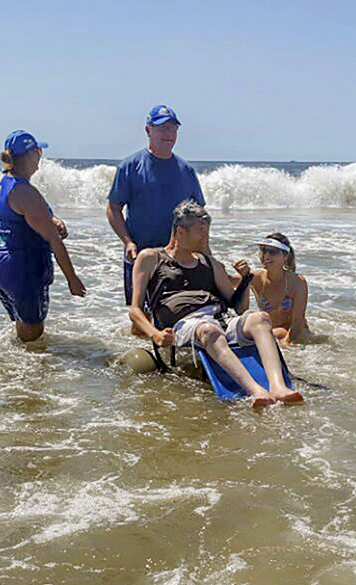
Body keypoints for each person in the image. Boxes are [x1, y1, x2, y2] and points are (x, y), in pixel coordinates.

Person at [129, 201, 303, 407]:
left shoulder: (209, 262)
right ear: (180, 231)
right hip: (185, 324)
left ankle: (278, 386)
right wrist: (155, 334)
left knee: (260, 319)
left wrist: (245, 279)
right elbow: (135, 309)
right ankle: (255, 390)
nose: (205, 237)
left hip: (219, 318)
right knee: (209, 330)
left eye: (206, 231)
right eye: (200, 232)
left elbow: (239, 308)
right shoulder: (151, 257)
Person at [0, 130, 85, 342]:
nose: (41, 155)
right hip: (23, 271)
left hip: (1, 266)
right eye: (38, 150)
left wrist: (55, 220)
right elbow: (54, 241)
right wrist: (72, 279)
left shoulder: (7, 182)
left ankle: (6, 372)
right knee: (33, 341)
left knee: (22, 333)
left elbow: (26, 217)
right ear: (31, 154)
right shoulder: (25, 192)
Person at [107, 104, 206, 309]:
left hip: (177, 259)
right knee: (139, 317)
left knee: (176, 313)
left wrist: (203, 253)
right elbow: (113, 208)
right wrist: (127, 242)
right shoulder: (130, 166)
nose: (168, 134)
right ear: (148, 130)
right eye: (162, 128)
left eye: (172, 128)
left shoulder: (186, 170)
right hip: (139, 257)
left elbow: (200, 217)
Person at [250, 233, 311, 347]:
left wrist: (287, 343)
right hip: (273, 332)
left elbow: (297, 321)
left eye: (272, 252)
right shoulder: (255, 278)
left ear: (285, 256)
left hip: (295, 333)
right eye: (263, 250)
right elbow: (226, 281)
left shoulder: (297, 282)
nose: (266, 256)